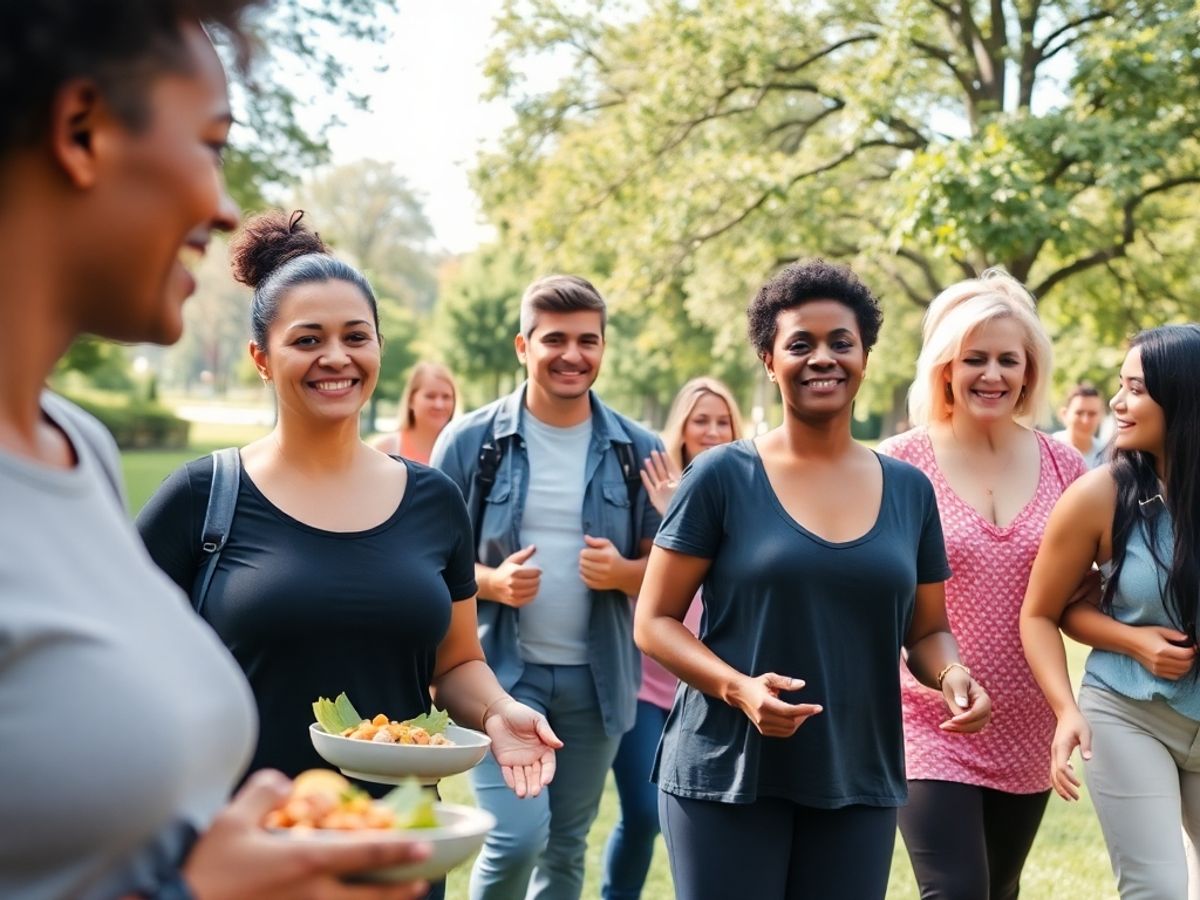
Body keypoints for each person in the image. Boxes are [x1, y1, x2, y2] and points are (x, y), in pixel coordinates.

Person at [0, 6, 435, 898]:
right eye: (211, 143)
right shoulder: (200, 491)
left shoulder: (75, 449)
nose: (226, 204)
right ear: (82, 131)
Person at [138, 211, 560, 811]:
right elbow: (118, 652)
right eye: (307, 340)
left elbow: (459, 661)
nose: (336, 357)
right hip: (245, 835)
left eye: (356, 337)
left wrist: (498, 710)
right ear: (261, 358)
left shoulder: (434, 500)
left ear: (379, 348)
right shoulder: (204, 495)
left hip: (402, 835)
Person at [634, 259, 991, 900]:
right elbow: (654, 622)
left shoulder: (909, 491)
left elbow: (929, 630)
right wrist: (739, 689)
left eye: (840, 343)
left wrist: (952, 674)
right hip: (727, 774)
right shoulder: (720, 476)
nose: (822, 358)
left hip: (858, 776)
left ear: (864, 357)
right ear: (770, 361)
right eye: (800, 344)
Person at [431, 274, 664, 900]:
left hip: (599, 680)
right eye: (555, 339)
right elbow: (422, 561)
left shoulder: (637, 450)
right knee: (514, 838)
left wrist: (623, 574)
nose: (572, 355)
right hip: (498, 675)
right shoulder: (470, 442)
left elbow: (673, 574)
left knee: (565, 848)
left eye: (588, 340)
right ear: (522, 346)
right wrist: (490, 582)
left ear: (603, 347)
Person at [878, 269, 1088, 900]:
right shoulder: (898, 463)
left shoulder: (1066, 464)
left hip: (1029, 722)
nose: (991, 375)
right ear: (945, 367)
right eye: (974, 359)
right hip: (926, 718)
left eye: (1008, 360)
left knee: (1000, 888)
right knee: (957, 890)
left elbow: (1078, 597)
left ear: (1030, 372)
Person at [1021, 324, 1200, 898]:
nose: (1117, 404)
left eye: (1137, 390)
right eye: (1119, 386)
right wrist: (1132, 646)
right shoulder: (1100, 495)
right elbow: (1044, 612)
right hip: (1127, 712)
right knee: (1159, 889)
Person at [601, 377, 743, 900]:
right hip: (645, 679)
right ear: (680, 427)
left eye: (721, 420)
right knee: (642, 812)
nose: (710, 430)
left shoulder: (748, 484)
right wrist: (671, 513)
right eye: (699, 420)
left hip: (709, 679)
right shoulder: (651, 481)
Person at [373, 361, 457, 463]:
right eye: (430, 396)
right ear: (411, 400)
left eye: (446, 397)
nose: (439, 405)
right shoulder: (385, 449)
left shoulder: (462, 450)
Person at [1053, 382, 1107, 469]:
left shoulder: (1107, 455)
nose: (1085, 421)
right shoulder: (1050, 448)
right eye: (1079, 413)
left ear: (1101, 416)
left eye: (1092, 414)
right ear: (1064, 414)